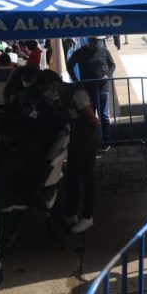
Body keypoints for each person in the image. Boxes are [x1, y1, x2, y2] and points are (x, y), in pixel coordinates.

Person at [36, 69, 99, 233]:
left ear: (54, 84)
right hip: (75, 142)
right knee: (72, 177)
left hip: (86, 142)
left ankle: (87, 216)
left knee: (87, 179)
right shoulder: (60, 96)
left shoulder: (77, 94)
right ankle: (71, 213)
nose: (47, 93)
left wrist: (84, 137)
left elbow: (93, 120)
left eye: (46, 89)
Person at [66, 36, 115, 147]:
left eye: (97, 41)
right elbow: (69, 66)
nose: (95, 43)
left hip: (103, 88)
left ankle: (106, 142)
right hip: (87, 90)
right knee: (90, 116)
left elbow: (112, 65)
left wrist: (108, 75)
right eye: (93, 41)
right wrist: (76, 81)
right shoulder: (80, 52)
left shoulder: (104, 50)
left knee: (104, 116)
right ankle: (92, 141)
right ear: (89, 41)